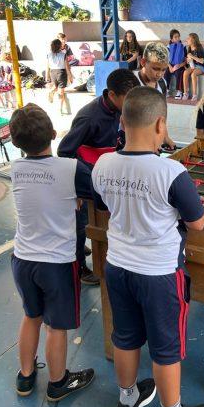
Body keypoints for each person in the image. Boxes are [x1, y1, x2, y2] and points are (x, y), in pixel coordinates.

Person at [92, 86, 204, 407]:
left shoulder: (103, 164)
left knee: (125, 337)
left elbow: (105, 205)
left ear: (122, 121)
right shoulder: (171, 171)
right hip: (160, 274)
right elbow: (198, 223)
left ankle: (127, 401)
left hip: (118, 266)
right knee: (166, 348)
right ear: (161, 124)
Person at [9, 104, 95, 402]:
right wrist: (77, 196)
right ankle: (58, 382)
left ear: (15, 142)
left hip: (23, 259)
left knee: (31, 315)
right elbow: (98, 193)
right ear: (54, 134)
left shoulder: (16, 169)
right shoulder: (70, 169)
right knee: (56, 326)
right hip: (56, 263)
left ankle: (25, 376)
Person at [58, 68, 140, 285]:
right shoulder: (89, 117)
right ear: (112, 95)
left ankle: (83, 243)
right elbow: (64, 152)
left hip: (103, 174)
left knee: (94, 219)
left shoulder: (118, 110)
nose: (131, 104)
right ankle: (79, 267)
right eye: (128, 99)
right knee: (80, 223)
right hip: (85, 178)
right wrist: (90, 175)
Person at [137, 41, 176, 149]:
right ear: (143, 62)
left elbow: (162, 113)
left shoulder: (162, 83)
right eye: (155, 69)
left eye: (164, 70)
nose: (159, 74)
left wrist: (165, 136)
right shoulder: (132, 84)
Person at [45, 38, 73, 115]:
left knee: (55, 86)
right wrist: (70, 77)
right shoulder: (63, 54)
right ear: (60, 46)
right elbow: (67, 67)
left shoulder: (49, 54)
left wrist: (47, 76)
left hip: (52, 72)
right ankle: (60, 110)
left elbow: (47, 67)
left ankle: (51, 91)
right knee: (61, 92)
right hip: (61, 73)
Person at [182, 33, 204, 101]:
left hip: (201, 67)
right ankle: (185, 93)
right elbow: (189, 62)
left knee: (193, 74)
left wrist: (192, 57)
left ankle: (195, 95)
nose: (186, 40)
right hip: (193, 66)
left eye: (188, 38)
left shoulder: (199, 48)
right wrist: (188, 60)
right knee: (185, 72)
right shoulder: (189, 48)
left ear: (193, 40)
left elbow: (202, 61)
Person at [165, 29, 186, 99]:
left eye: (178, 36)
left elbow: (185, 60)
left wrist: (180, 65)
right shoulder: (168, 47)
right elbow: (166, 59)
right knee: (166, 72)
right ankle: (166, 89)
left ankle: (179, 91)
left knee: (178, 72)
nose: (177, 38)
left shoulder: (183, 46)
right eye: (175, 37)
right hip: (170, 65)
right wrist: (170, 67)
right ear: (171, 39)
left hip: (180, 65)